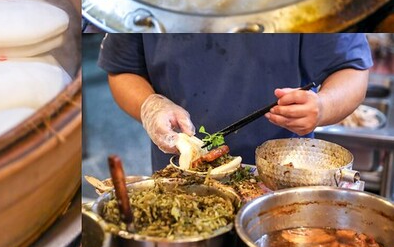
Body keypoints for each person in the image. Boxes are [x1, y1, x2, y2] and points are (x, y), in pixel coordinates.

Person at [99, 34, 371, 171]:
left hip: (284, 175)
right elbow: (122, 69)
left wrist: (322, 106)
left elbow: (351, 68)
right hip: (180, 173)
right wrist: (150, 105)